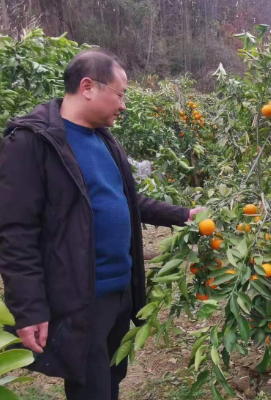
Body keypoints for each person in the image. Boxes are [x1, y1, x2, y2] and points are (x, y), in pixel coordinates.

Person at [0, 50, 203, 400]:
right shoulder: (32, 143)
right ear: (88, 87)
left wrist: (183, 215)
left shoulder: (104, 140)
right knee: (89, 387)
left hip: (119, 292)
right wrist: (29, 309)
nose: (123, 105)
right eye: (120, 94)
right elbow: (16, 233)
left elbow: (126, 200)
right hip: (80, 297)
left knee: (111, 378)